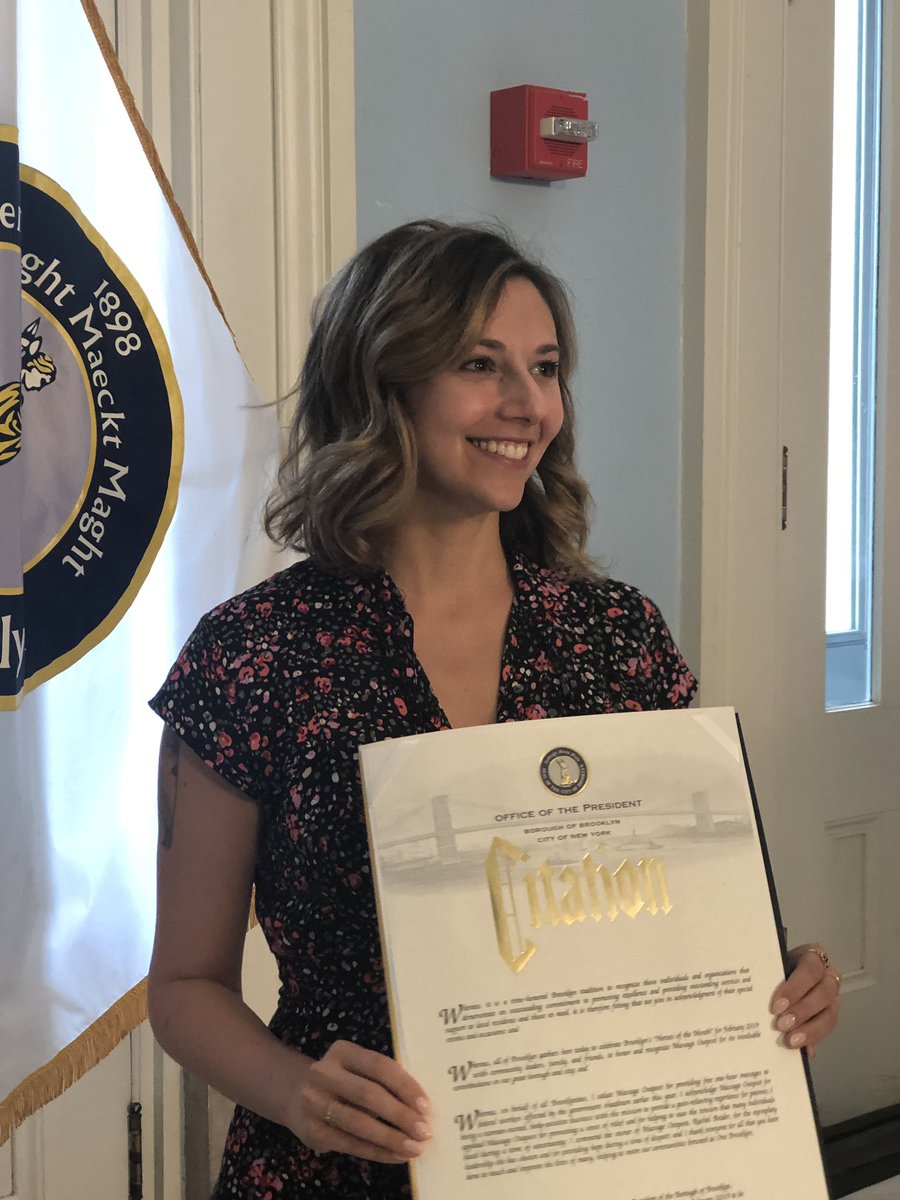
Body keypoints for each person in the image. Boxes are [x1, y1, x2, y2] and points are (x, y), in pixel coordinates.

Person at [148, 220, 842, 1199]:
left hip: (595, 1164)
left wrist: (782, 980)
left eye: (546, 368)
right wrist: (295, 1090)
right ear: (383, 381)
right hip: (335, 1172)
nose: (529, 404)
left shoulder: (619, 637)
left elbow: (683, 923)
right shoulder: (254, 654)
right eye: (481, 364)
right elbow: (185, 989)